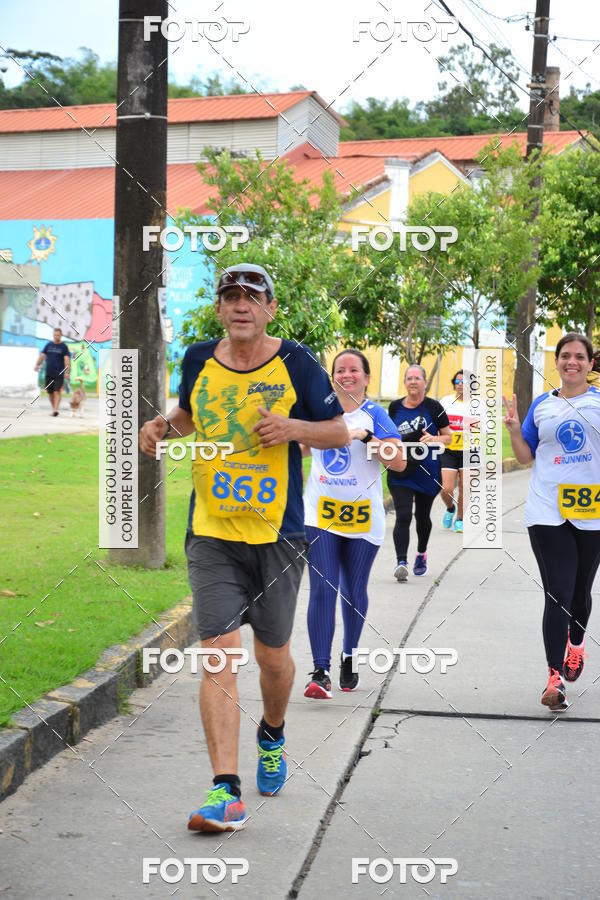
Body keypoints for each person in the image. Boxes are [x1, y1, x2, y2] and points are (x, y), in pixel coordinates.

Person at [139, 263, 348, 832]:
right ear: (219, 308)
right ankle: (224, 791)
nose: (240, 305)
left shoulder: (297, 363)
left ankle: (273, 734)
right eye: (230, 296)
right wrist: (162, 426)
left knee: (273, 657)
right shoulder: (198, 358)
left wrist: (292, 429)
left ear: (270, 308)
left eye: (251, 297)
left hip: (279, 534)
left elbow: (339, 431)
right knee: (220, 653)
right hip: (211, 531)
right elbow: (190, 414)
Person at [504, 332, 600, 712]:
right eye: (565, 355)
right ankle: (553, 678)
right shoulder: (542, 406)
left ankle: (576, 645)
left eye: (579, 356)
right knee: (557, 593)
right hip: (547, 512)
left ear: (591, 364)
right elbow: (526, 457)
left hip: (592, 512)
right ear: (556, 361)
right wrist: (513, 430)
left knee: (580, 594)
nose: (571, 362)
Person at [302, 350, 406, 699]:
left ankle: (349, 654)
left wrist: (366, 438)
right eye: (339, 370)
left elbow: (399, 461)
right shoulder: (319, 410)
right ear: (332, 377)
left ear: (366, 378)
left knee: (353, 590)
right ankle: (320, 671)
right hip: (320, 514)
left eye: (353, 370)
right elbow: (298, 445)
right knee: (323, 587)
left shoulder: (376, 414)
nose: (346, 375)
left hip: (363, 518)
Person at [388, 365, 452, 581]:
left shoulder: (435, 407)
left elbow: (448, 438)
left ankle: (421, 553)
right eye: (409, 378)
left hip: (427, 470)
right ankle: (401, 563)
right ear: (405, 382)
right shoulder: (395, 407)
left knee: (422, 516)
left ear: (425, 382)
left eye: (417, 378)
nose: (413, 381)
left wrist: (434, 439)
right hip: (400, 470)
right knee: (403, 515)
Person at [439, 369, 466, 534]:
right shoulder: (446, 402)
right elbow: (437, 424)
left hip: (469, 451)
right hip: (448, 450)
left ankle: (460, 519)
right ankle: (450, 508)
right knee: (446, 488)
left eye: (465, 382)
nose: (461, 384)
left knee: (465, 487)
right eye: (458, 382)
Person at [34, 327, 71, 416]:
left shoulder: (64, 347)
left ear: (61, 336)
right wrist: (37, 364)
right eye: (55, 335)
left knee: (57, 391)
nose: (56, 337)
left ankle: (55, 410)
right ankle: (54, 408)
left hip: (59, 374)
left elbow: (67, 360)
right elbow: (42, 356)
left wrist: (67, 372)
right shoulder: (48, 345)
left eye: (58, 335)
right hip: (49, 373)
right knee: (50, 393)